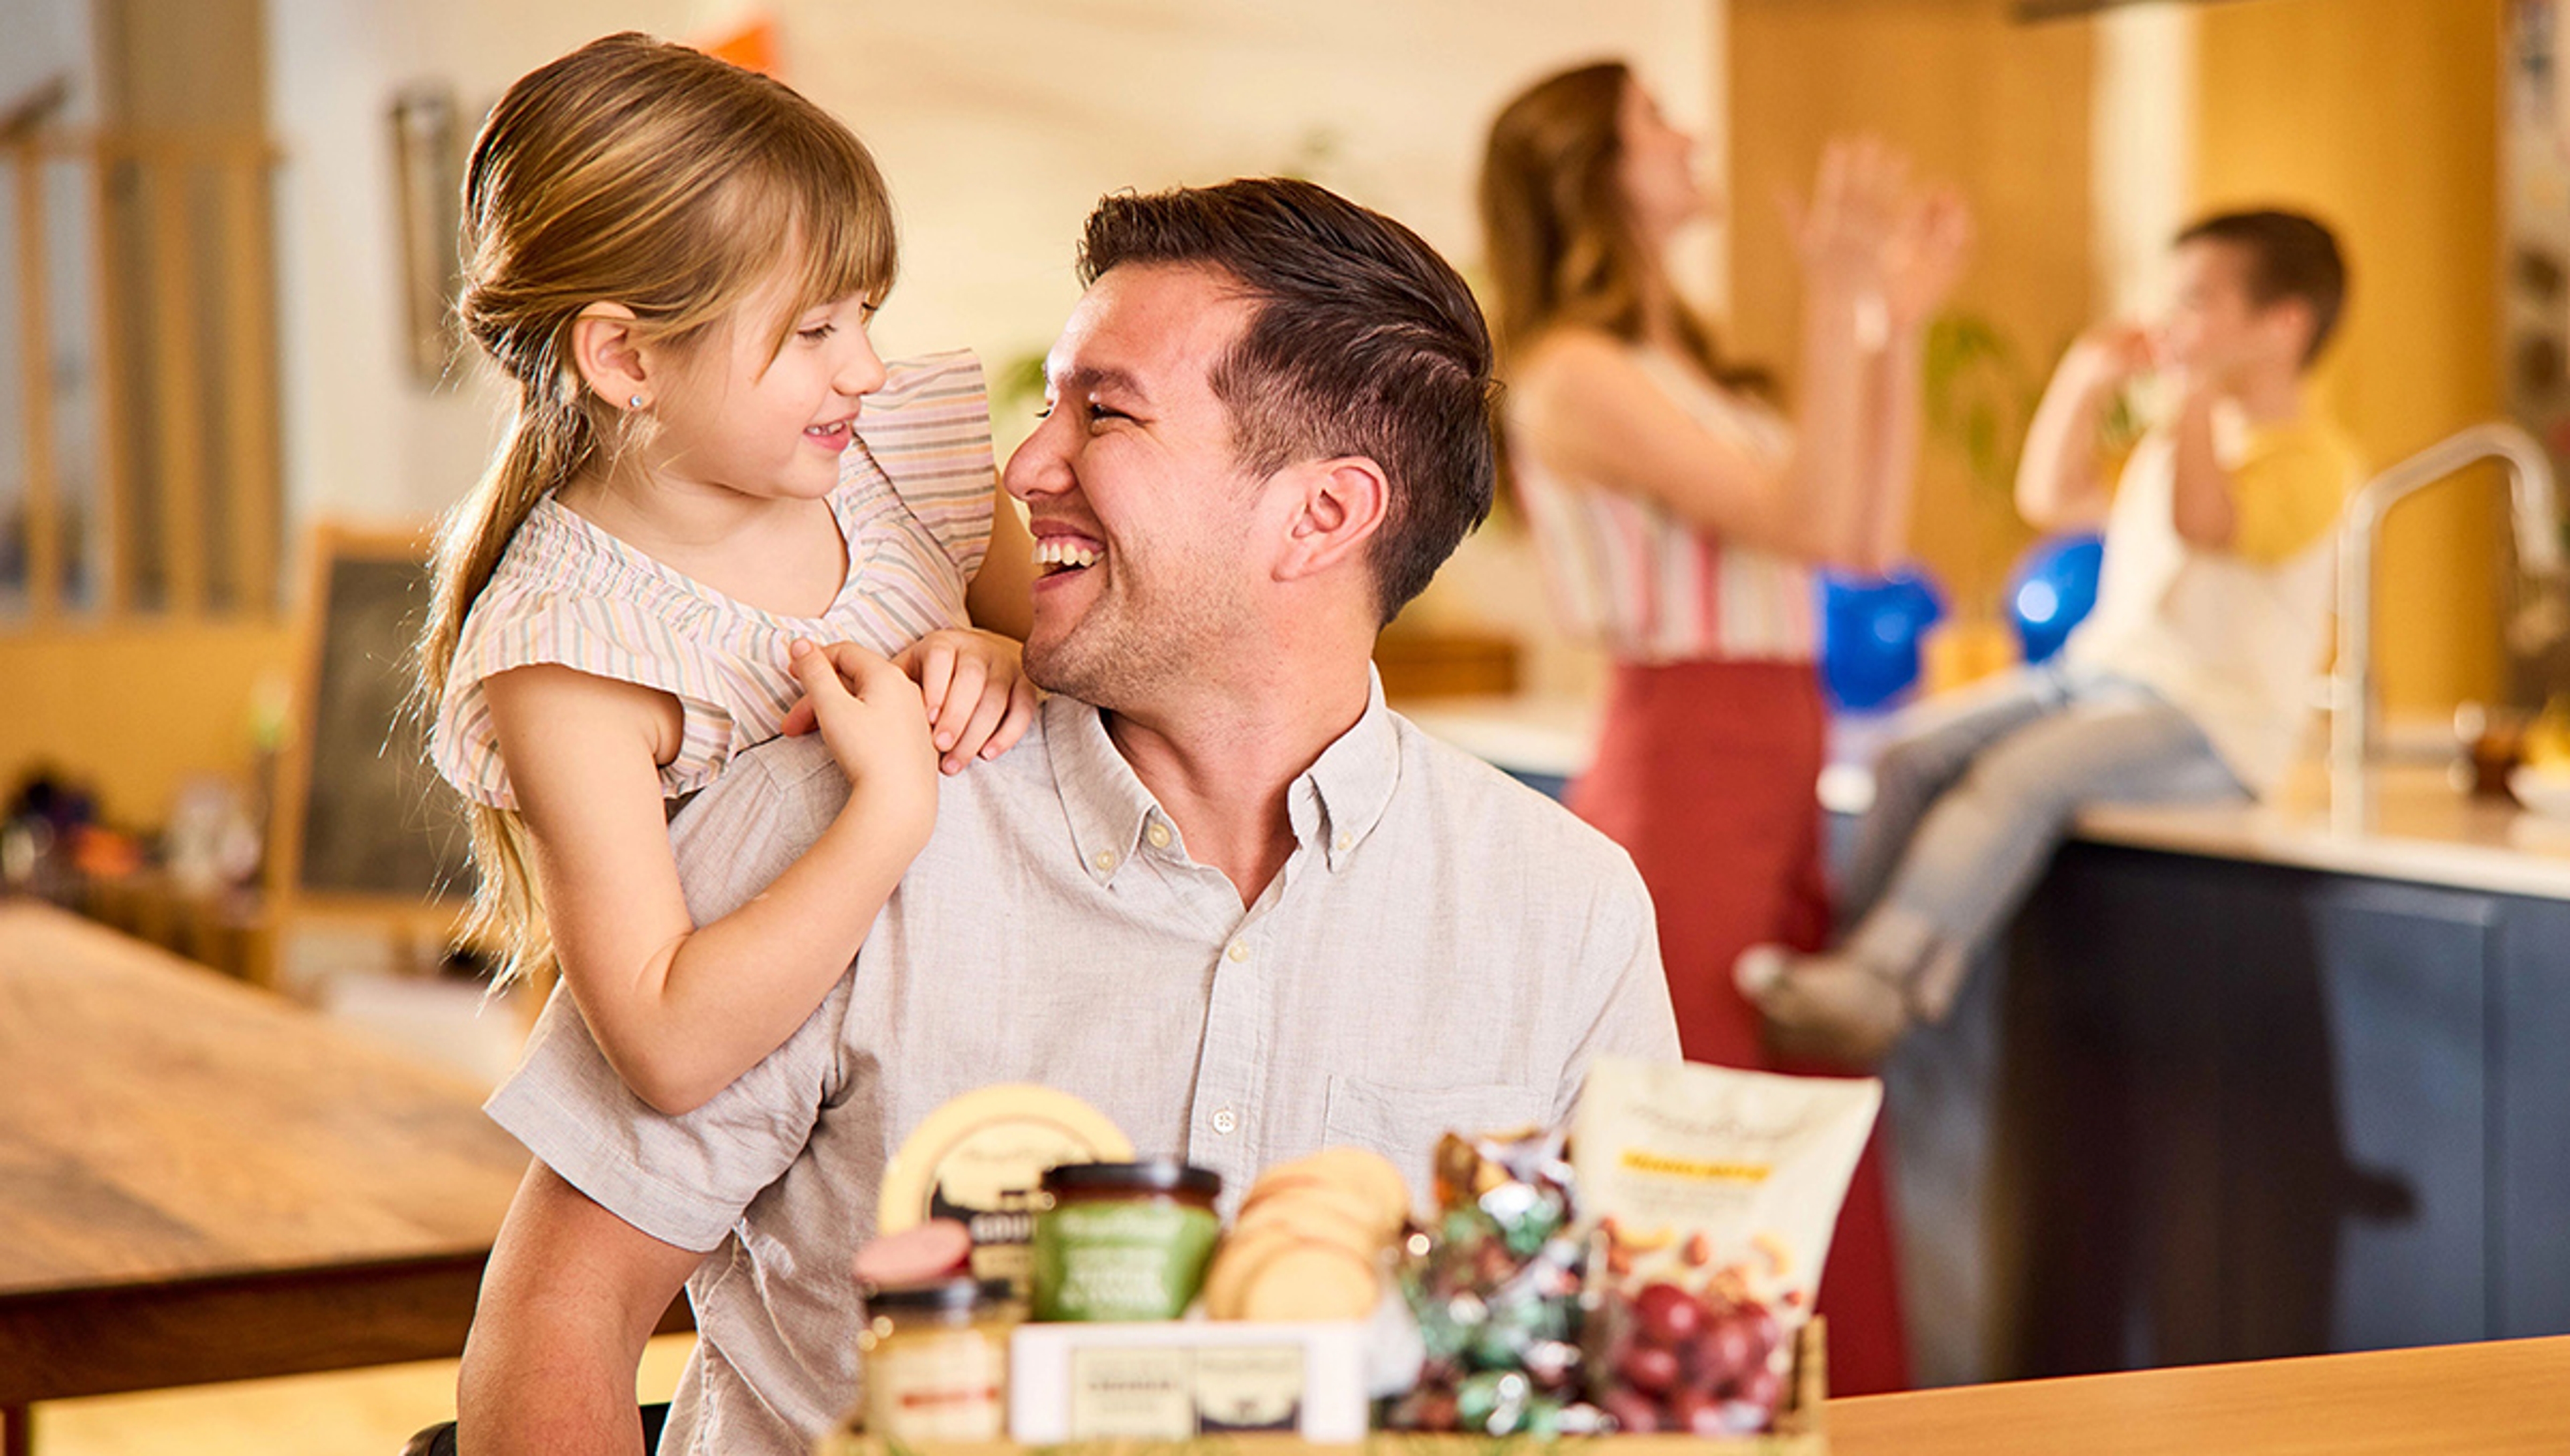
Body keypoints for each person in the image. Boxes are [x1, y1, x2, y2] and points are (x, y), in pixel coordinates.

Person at [454, 177, 1683, 1455]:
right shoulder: (829, 807)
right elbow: (559, 1323)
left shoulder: (1563, 910)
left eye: (1103, 415)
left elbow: (1628, 1368)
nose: (1026, 465)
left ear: (1325, 514)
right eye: (1049, 404)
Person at [418, 34, 1039, 1117]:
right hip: (839, 1149)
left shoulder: (904, 458)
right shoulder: (570, 649)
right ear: (625, 359)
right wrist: (890, 807)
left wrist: (1018, 662)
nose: (867, 368)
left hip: (1042, 1053)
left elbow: (1134, 706)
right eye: (812, 330)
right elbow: (665, 1048)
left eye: (864, 316)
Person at [1478, 61, 1970, 1395]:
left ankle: (1840, 1408)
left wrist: (1891, 324)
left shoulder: (1674, 361)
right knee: (1704, 1125)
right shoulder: (1574, 373)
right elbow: (1812, 520)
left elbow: (1858, 536)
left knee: (1799, 1112)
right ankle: (1692, 1406)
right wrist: (1830, 294)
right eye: (1656, 119)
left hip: (1771, 755)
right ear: (1591, 167)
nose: (1688, 134)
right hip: (1684, 768)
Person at [1740, 209, 2359, 1065]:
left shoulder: (2312, 458)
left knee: (2017, 776)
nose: (2173, 319)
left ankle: (1883, 980)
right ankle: (1846, 964)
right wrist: (2085, 379)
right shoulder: (2177, 442)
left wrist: (2192, 396)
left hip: (2212, 722)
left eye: (2199, 301)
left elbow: (2205, 522)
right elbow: (2049, 494)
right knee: (1906, 756)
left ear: (2283, 324)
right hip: (2100, 678)